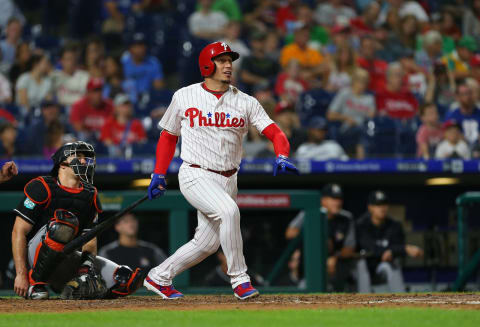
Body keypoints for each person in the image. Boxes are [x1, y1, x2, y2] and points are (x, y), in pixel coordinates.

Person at [144, 41, 299, 300]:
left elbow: (275, 132)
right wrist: (158, 174)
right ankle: (240, 279)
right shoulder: (184, 95)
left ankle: (159, 277)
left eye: (230, 61)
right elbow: (169, 136)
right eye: (222, 60)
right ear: (207, 64)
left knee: (206, 244)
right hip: (196, 173)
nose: (228, 66)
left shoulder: (246, 102)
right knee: (229, 211)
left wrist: (282, 154)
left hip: (229, 178)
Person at [11, 141, 143, 300]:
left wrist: (86, 269)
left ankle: (72, 291)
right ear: (62, 163)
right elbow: (18, 231)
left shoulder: (90, 193)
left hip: (67, 256)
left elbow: (90, 237)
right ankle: (36, 283)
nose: (83, 161)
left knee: (124, 278)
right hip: (34, 255)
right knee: (63, 223)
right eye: (78, 156)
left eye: (85, 157)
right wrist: (21, 274)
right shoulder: (41, 186)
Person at [286, 183, 356, 292]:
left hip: (336, 269)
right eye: (333, 199)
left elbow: (350, 248)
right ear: (323, 200)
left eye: (339, 199)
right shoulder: (311, 213)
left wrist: (335, 257)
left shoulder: (346, 218)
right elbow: (290, 232)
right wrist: (317, 238)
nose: (337, 202)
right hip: (310, 269)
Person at [356, 190, 423, 293]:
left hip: (383, 265)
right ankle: (362, 302)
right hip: (365, 266)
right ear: (370, 207)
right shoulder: (361, 225)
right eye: (378, 205)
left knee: (392, 264)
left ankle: (400, 302)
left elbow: (398, 246)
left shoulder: (394, 225)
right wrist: (403, 249)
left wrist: (393, 251)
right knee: (361, 263)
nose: (382, 208)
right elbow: (370, 247)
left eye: (384, 204)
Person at [327, 68, 375, 159]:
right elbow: (330, 115)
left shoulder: (369, 98)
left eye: (364, 82)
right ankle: (363, 164)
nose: (362, 85)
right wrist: (346, 118)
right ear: (353, 81)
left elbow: (371, 117)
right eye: (359, 81)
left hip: (363, 128)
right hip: (345, 129)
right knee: (362, 132)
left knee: (365, 132)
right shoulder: (344, 94)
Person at [99, 213, 167, 272]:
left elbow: (167, 271)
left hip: (146, 286)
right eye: (126, 221)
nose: (131, 224)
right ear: (117, 227)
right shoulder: (107, 252)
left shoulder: (151, 250)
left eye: (133, 220)